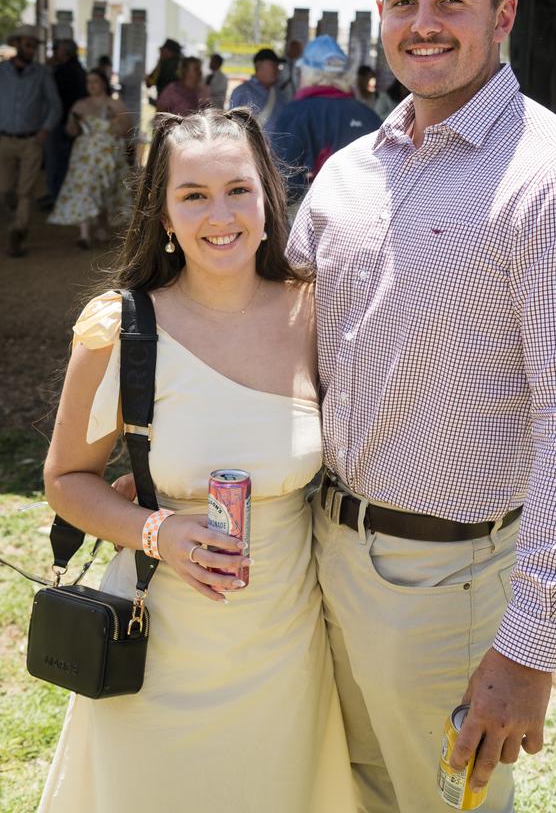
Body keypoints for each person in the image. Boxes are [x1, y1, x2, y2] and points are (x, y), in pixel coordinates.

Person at [287, 0, 556, 813]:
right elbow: (275, 333)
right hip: (315, 558)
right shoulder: (351, 173)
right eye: (403, 1)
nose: (424, 24)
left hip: (443, 588)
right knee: (346, 793)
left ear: (505, 14)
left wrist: (527, 650)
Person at [38, 107, 356, 813]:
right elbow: (65, 480)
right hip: (157, 644)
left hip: (285, 644)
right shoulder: (118, 328)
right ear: (165, 217)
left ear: (269, 201)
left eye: (238, 189)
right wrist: (158, 531)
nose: (221, 214)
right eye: (194, 195)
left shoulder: (316, 315)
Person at [273, 35, 381, 202]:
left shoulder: (295, 113)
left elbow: (284, 184)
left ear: (306, 72)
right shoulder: (369, 115)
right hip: (369, 216)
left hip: (314, 219)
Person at [48, 68, 131, 248]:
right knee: (84, 188)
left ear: (103, 83)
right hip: (85, 154)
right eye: (89, 82)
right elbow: (71, 131)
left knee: (105, 188)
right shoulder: (80, 105)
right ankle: (84, 233)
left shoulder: (115, 104)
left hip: (108, 153)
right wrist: (73, 122)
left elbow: (126, 130)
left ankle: (102, 225)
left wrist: (114, 120)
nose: (92, 86)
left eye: (95, 82)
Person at [0, 24, 62, 256]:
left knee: (25, 191)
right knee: (5, 189)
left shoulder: (42, 73)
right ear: (17, 44)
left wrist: (45, 129)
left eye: (34, 45)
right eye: (28, 44)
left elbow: (55, 105)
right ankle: (15, 214)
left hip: (31, 141)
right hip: (4, 139)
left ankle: (17, 232)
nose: (31, 49)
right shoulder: (2, 71)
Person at [42, 39, 87, 206]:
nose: (54, 52)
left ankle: (56, 197)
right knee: (62, 160)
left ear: (65, 52)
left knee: (56, 161)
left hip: (59, 122)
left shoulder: (62, 71)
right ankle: (56, 194)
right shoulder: (78, 70)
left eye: (57, 49)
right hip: (70, 122)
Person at [229, 47, 285, 143]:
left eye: (278, 65)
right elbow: (235, 130)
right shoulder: (242, 92)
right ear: (259, 65)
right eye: (273, 64)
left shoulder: (280, 94)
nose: (277, 69)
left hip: (279, 155)